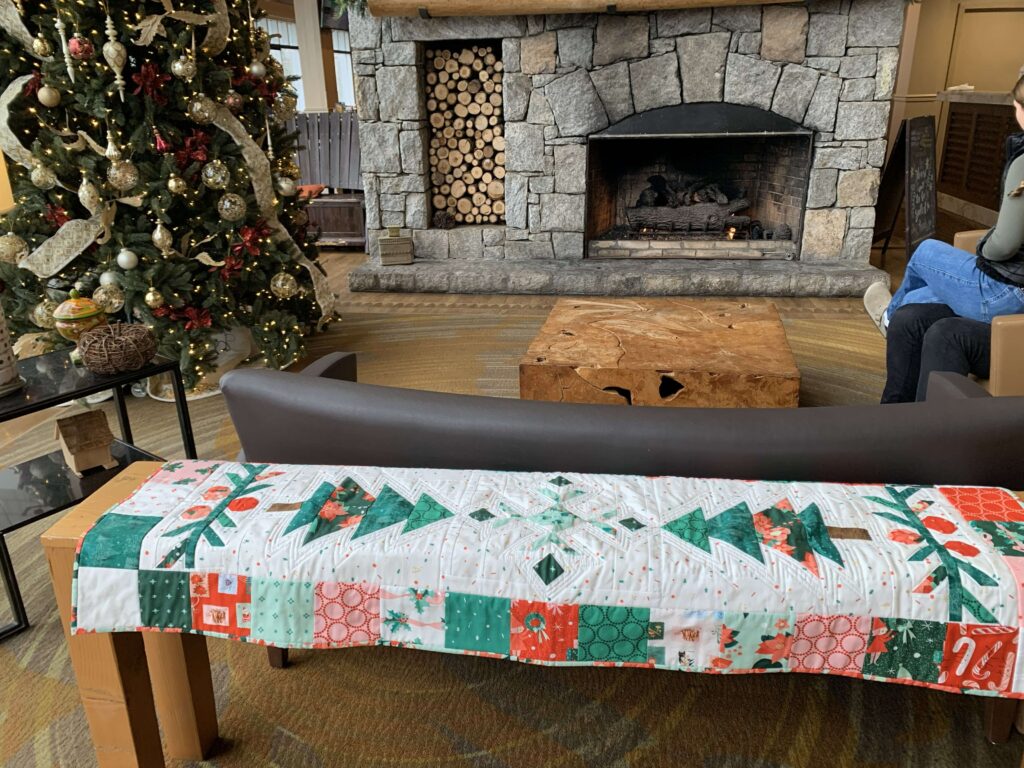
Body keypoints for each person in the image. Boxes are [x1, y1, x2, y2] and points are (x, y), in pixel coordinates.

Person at [863, 75, 1024, 335]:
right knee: (928, 290)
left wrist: (983, 248)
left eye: (1016, 104)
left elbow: (1004, 245)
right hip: (1014, 291)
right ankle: (899, 312)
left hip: (1006, 297)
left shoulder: (1023, 164)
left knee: (926, 251)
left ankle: (890, 318)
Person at [880, 303, 991, 403]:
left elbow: (996, 304)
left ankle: (927, 423)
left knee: (946, 335)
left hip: (1001, 323)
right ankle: (892, 418)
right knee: (906, 318)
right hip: (974, 302)